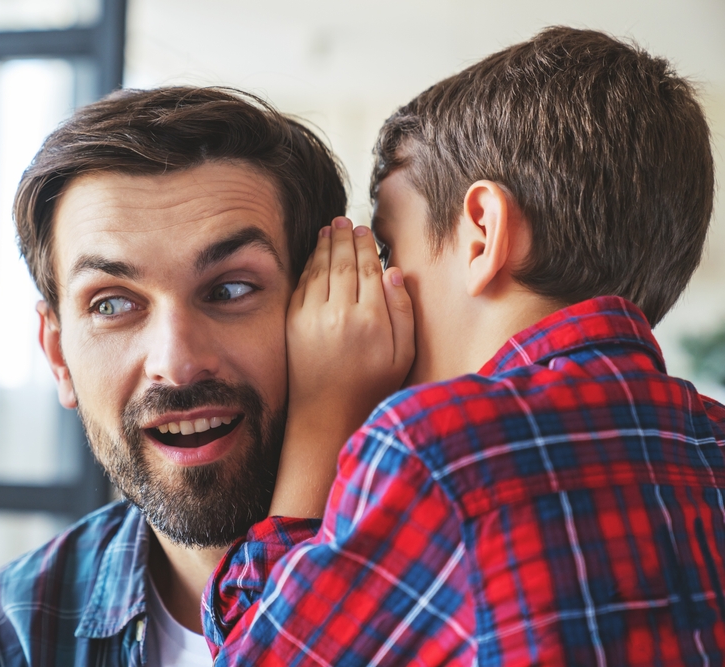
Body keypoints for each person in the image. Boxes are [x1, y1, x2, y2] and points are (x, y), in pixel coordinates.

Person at [203, 26, 724, 665]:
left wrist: (323, 412)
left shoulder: (433, 448)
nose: (380, 282)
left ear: (482, 232)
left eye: (389, 247)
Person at [0, 86, 403, 667]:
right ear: (58, 355)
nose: (176, 362)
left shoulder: (457, 580)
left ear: (332, 300)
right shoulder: (3, 635)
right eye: (112, 304)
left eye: (230, 290)